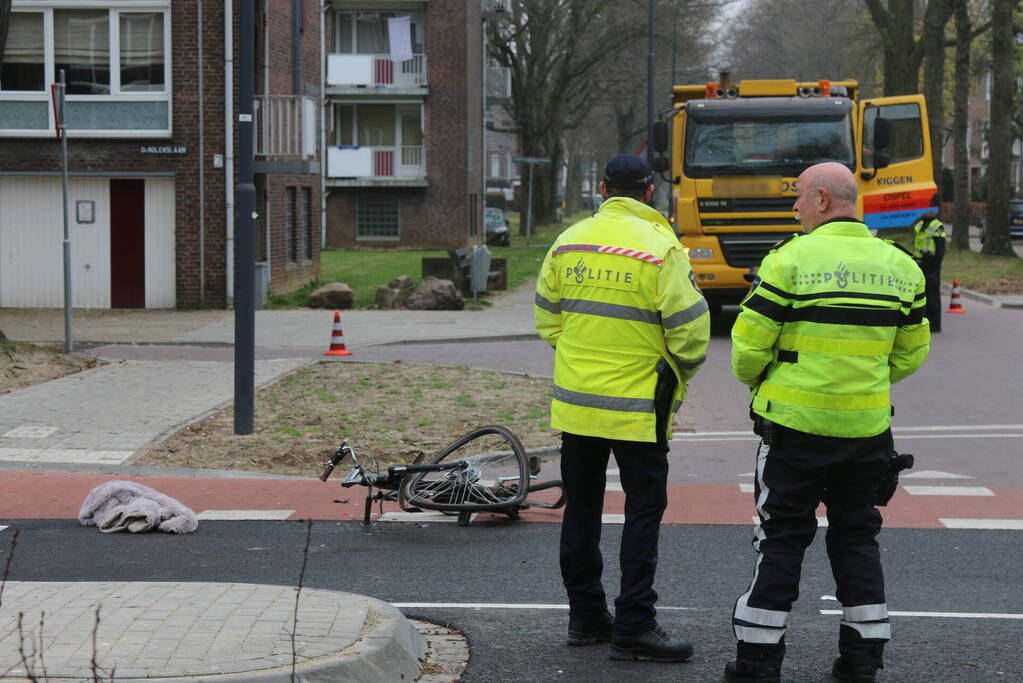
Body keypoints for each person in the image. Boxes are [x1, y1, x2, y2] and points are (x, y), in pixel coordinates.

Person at [725, 162, 931, 683]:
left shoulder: (788, 260)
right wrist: (861, 378)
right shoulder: (902, 267)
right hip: (866, 431)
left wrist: (767, 383)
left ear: (820, 199)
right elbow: (911, 353)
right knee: (857, 539)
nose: (793, 206)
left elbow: (747, 349)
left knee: (781, 539)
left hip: (792, 429)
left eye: (797, 197)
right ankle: (862, 662)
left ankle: (756, 664)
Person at [534, 154, 710, 663]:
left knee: (582, 511)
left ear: (604, 187)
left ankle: (586, 618)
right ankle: (634, 624)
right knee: (642, 514)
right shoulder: (662, 249)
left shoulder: (569, 243)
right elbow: (692, 332)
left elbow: (548, 322)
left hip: (578, 407)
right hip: (639, 408)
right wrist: (673, 372)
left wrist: (584, 360)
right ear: (650, 193)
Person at [912, 197, 947, 332]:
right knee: (923, 295)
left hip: (932, 266)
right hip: (919, 265)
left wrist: (933, 260)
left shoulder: (937, 226)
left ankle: (935, 325)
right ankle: (925, 322)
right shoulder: (919, 226)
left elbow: (940, 250)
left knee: (933, 296)